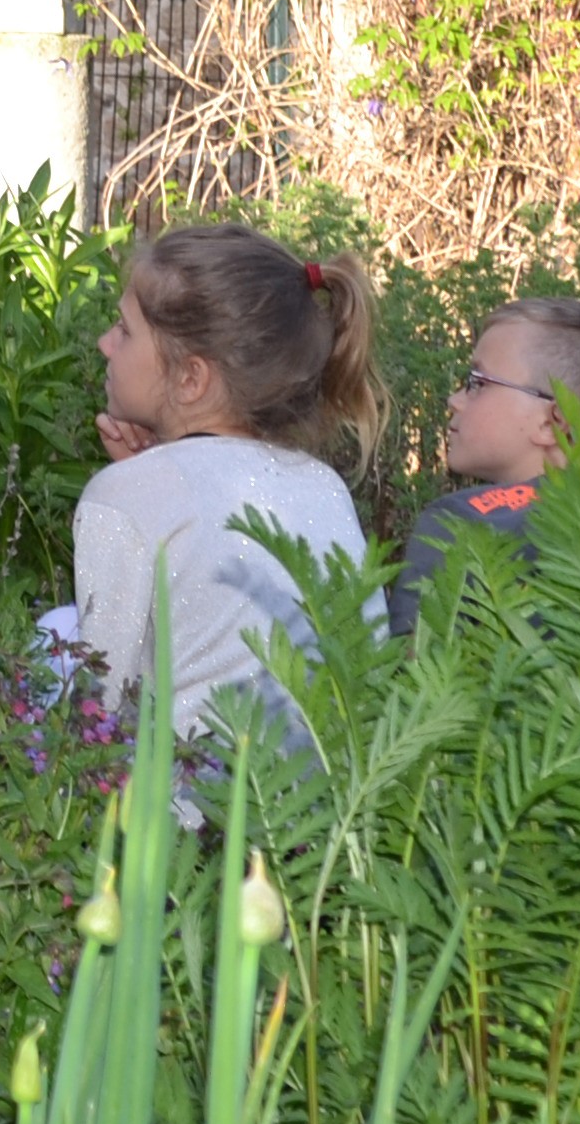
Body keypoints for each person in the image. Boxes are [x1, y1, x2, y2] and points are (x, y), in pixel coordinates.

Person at [64, 224, 382, 746]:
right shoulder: (326, 486)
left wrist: (133, 482)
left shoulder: (123, 497)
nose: (104, 344)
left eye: (123, 330)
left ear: (190, 379)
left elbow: (98, 715)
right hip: (317, 810)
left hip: (182, 818)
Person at [383, 296, 580, 642]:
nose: (454, 400)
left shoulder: (461, 522)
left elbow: (410, 681)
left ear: (553, 423)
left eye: (478, 383)